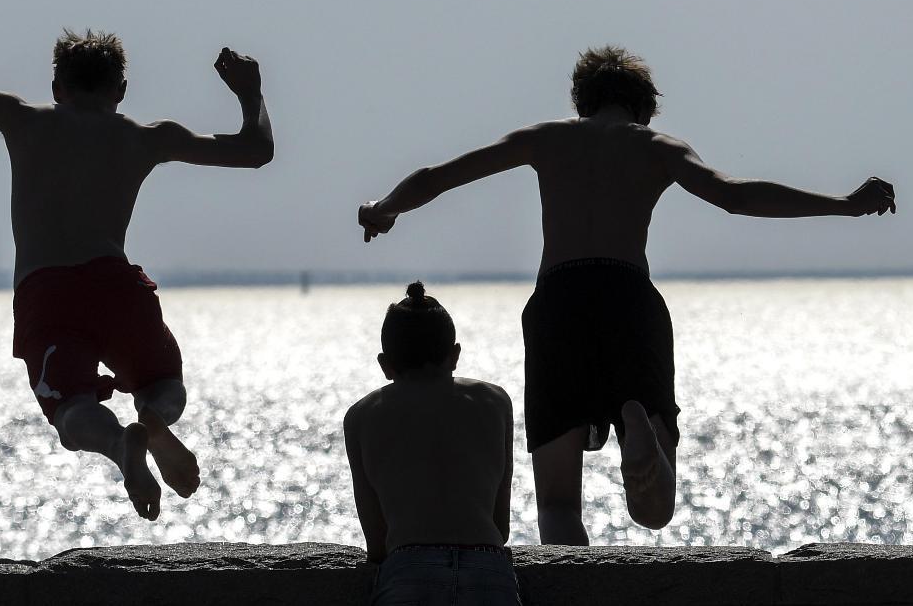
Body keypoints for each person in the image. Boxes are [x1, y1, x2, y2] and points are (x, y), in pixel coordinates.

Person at [357, 45, 896, 545]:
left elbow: (438, 176)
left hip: (559, 300)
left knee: (559, 505)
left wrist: (385, 208)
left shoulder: (545, 137)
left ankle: (579, 593)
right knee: (655, 513)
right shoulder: (657, 147)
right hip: (628, 297)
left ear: (582, 100)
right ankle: (642, 440)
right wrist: (846, 204)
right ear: (643, 107)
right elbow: (735, 196)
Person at [0, 29, 274, 520]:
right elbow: (255, 150)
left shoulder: (21, 118)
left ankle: (120, 445)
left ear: (57, 86)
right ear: (120, 90)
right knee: (164, 384)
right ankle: (154, 417)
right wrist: (251, 92)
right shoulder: (147, 138)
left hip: (47, 292)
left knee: (71, 410)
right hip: (117, 284)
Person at [344, 282, 520, 605]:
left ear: (385, 365)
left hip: (408, 572)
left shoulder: (361, 417)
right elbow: (500, 526)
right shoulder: (496, 403)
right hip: (488, 570)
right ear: (455, 355)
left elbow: (377, 544)